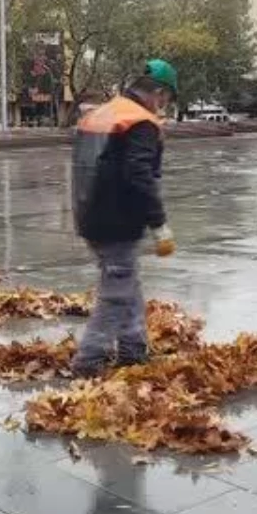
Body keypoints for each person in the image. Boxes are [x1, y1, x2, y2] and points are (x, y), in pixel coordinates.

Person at [70, 59, 178, 377]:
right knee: (116, 293)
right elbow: (139, 174)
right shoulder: (140, 122)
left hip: (90, 213)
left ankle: (133, 350)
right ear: (158, 93)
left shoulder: (103, 113)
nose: (165, 107)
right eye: (167, 99)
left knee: (127, 284)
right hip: (117, 220)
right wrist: (159, 223)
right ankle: (88, 360)